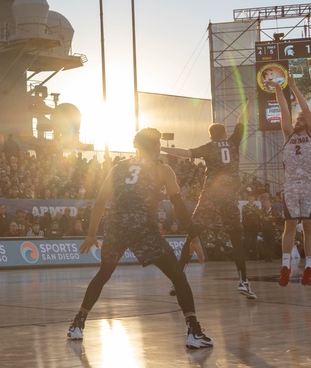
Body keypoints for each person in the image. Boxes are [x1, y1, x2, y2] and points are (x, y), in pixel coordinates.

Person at [68, 128, 210, 349]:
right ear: (154, 147)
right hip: (141, 226)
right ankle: (193, 331)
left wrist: (91, 234)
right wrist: (193, 235)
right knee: (177, 276)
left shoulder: (118, 168)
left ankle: (78, 324)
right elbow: (179, 206)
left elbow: (99, 202)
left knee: (104, 274)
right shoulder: (162, 169)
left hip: (115, 225)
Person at [163, 92, 257, 299]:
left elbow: (186, 153)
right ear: (224, 133)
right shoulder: (233, 142)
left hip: (210, 197)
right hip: (229, 196)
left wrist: (160, 148)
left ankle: (177, 281)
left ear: (211, 136)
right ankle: (243, 282)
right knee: (236, 238)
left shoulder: (208, 148)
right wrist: (249, 101)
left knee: (193, 235)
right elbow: (243, 120)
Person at [271, 81, 311, 286]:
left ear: (310, 123)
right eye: (297, 117)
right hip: (291, 185)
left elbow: (306, 109)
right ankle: (285, 265)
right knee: (289, 225)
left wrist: (292, 86)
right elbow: (284, 110)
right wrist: (276, 88)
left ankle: (309, 268)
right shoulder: (288, 135)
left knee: (309, 227)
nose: (298, 119)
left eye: (302, 118)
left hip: (309, 184)